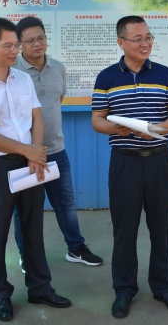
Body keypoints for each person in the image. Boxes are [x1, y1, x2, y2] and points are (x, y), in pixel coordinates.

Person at [91, 15, 168, 318]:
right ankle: (124, 290)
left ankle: (162, 287)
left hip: (159, 161)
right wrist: (115, 128)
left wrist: (157, 128)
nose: (145, 44)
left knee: (161, 228)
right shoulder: (107, 77)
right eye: (138, 39)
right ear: (121, 42)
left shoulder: (164, 74)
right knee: (124, 230)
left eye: (148, 37)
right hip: (125, 163)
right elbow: (97, 119)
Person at [0, 18, 71, 322]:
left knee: (33, 227)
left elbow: (37, 116)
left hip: (31, 160)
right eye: (7, 45)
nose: (14, 51)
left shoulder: (22, 79)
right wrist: (27, 150)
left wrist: (35, 150)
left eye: (16, 45)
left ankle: (40, 287)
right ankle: (0, 294)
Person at [12, 16, 103, 269]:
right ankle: (27, 255)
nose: (37, 44)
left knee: (66, 205)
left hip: (56, 151)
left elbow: (56, 100)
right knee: (24, 210)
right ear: (20, 45)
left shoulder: (58, 68)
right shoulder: (12, 71)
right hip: (25, 154)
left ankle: (76, 248)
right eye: (30, 40)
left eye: (41, 38)